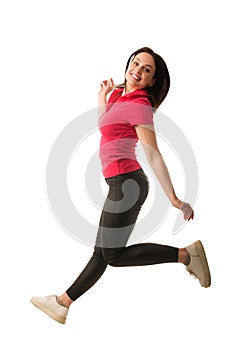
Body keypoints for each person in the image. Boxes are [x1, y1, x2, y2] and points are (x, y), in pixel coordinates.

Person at [31, 47, 211, 324]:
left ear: (152, 81)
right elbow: (106, 125)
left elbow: (152, 153)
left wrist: (174, 199)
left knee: (111, 255)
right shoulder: (118, 93)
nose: (137, 70)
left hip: (129, 184)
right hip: (118, 183)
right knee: (103, 253)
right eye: (135, 63)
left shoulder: (139, 105)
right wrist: (101, 99)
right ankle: (61, 304)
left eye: (146, 69)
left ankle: (187, 255)